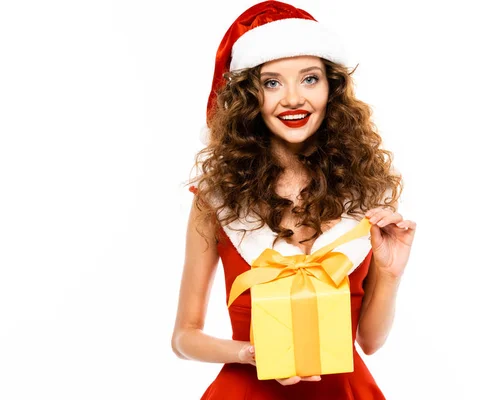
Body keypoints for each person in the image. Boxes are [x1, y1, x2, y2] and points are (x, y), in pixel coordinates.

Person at [171, 1, 417, 398]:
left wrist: (390, 274)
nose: (292, 99)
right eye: (272, 82)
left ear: (331, 88)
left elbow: (369, 342)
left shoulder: (362, 194)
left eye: (309, 79)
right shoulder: (216, 201)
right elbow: (184, 337)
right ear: (249, 96)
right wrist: (252, 353)